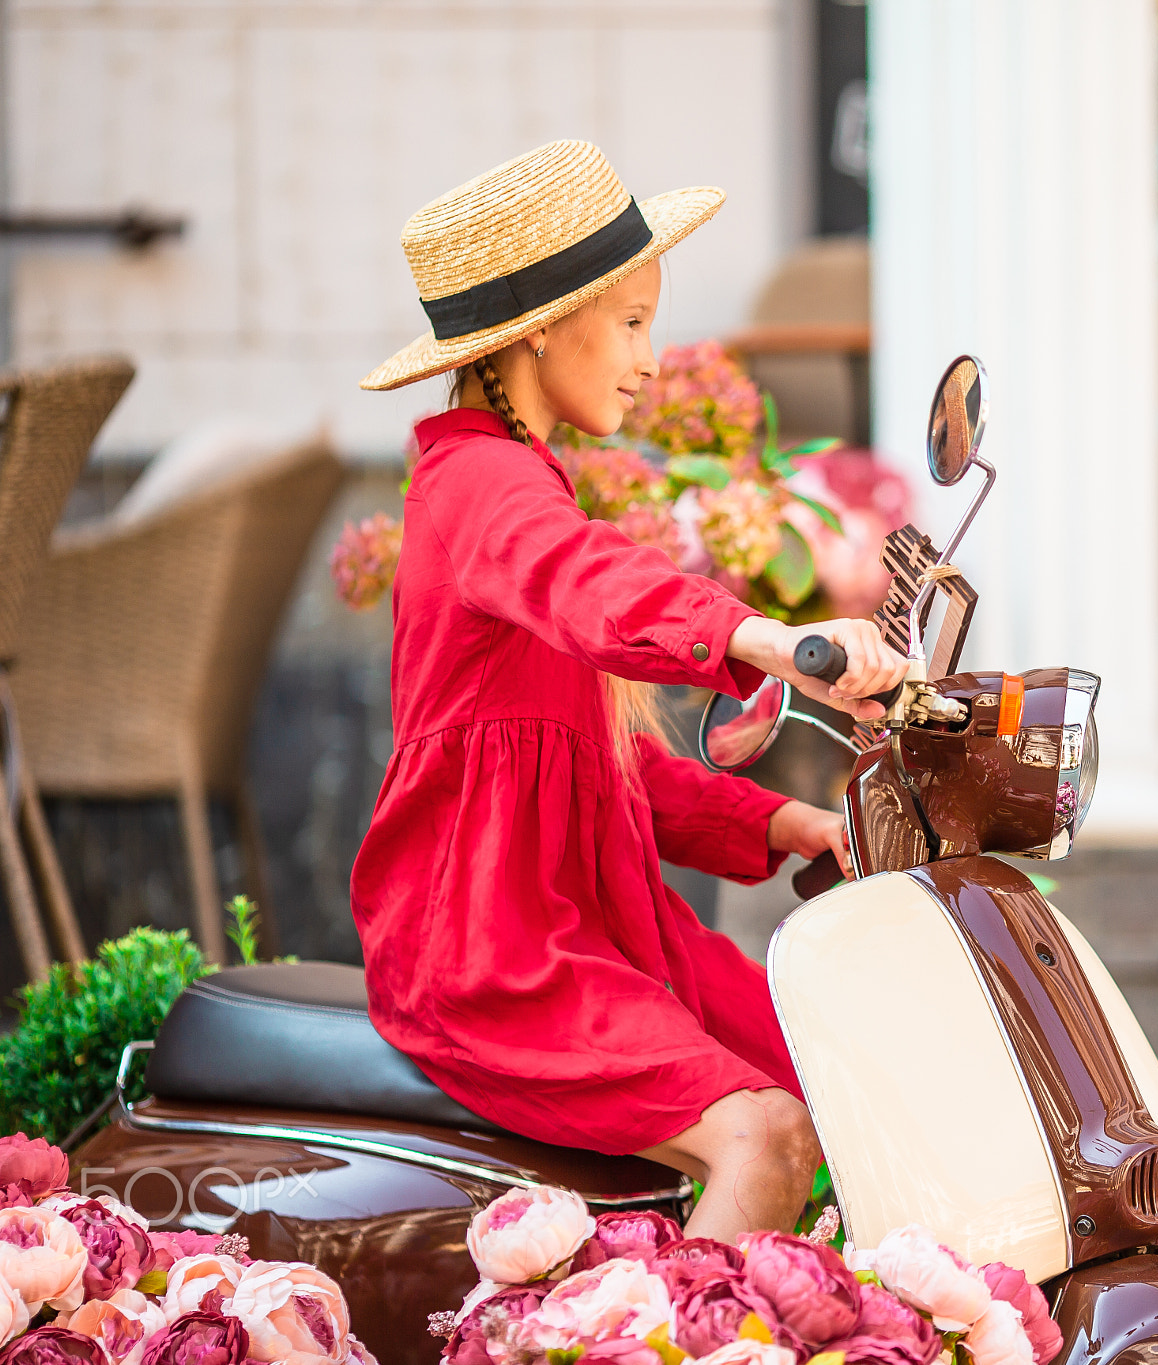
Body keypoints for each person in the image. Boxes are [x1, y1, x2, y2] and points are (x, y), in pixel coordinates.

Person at [350, 140, 907, 1241]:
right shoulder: (478, 487)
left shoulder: (521, 479)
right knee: (768, 1134)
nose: (653, 360)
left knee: (858, 1081)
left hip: (602, 924)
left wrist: (802, 823)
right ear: (544, 329)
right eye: (634, 322)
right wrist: (773, 642)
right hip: (492, 948)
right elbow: (588, 585)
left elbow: (606, 768)